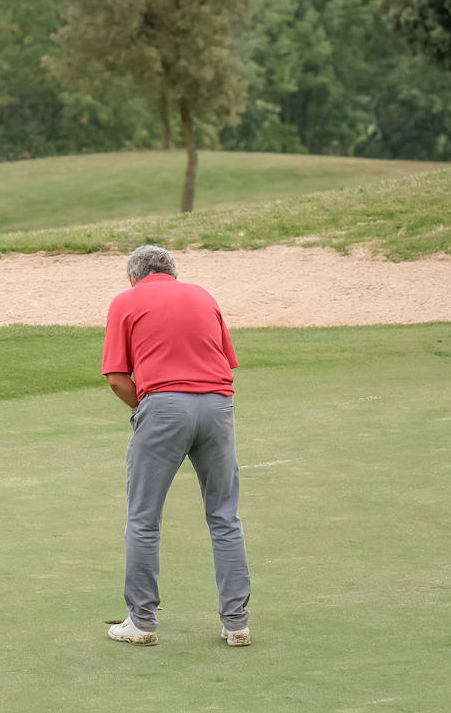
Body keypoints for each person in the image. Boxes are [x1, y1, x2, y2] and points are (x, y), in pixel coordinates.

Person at [102, 244, 251, 647]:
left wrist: (146, 409)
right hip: (219, 406)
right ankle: (236, 623)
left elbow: (117, 377)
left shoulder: (127, 300)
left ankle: (142, 622)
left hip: (164, 406)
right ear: (172, 271)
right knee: (224, 516)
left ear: (134, 276)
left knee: (144, 518)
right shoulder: (203, 296)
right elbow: (226, 361)